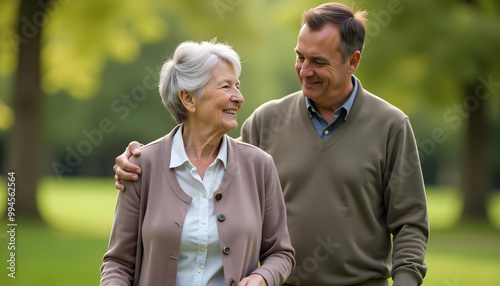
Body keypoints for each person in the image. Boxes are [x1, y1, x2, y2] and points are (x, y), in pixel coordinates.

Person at [113, 3, 429, 286]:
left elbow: (410, 224)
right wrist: (135, 162)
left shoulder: (391, 126)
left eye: (318, 61)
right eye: (299, 56)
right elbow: (210, 161)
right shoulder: (268, 120)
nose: (304, 70)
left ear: (352, 61)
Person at [101, 40, 295, 286]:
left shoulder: (259, 166)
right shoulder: (141, 166)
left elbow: (281, 253)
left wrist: (262, 277)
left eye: (237, 86)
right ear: (189, 99)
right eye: (226, 86)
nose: (239, 97)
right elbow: (117, 263)